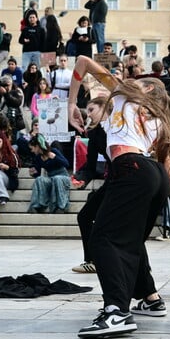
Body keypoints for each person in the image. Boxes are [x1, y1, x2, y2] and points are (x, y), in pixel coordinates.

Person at [66, 55, 170, 339]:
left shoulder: (125, 92)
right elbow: (169, 177)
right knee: (129, 241)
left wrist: (70, 104)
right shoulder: (159, 122)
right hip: (148, 174)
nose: (135, 81)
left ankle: (116, 312)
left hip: (129, 169)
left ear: (149, 90)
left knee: (103, 239)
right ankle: (150, 299)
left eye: (142, 82)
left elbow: (81, 61)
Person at [72, 97, 112, 274]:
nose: (88, 114)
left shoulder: (118, 126)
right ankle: (91, 260)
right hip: (113, 180)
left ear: (104, 108)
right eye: (87, 111)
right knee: (84, 216)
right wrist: (81, 179)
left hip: (130, 177)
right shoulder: (94, 133)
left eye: (91, 110)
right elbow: (90, 164)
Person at [27, 133, 71, 214]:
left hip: (62, 177)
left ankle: (61, 207)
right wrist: (33, 173)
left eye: (32, 148)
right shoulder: (38, 157)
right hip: (51, 177)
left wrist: (55, 157)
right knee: (40, 179)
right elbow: (37, 172)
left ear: (37, 146)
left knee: (57, 179)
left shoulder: (53, 151)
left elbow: (66, 164)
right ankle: (38, 206)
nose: (32, 151)